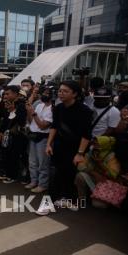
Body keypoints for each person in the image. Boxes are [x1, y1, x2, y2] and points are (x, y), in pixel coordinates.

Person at [38, 81, 93, 215]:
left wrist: (80, 153)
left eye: (65, 91)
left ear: (74, 94)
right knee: (55, 174)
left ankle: (68, 199)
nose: (61, 93)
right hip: (59, 146)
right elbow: (54, 127)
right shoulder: (58, 108)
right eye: (60, 91)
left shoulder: (85, 111)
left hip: (76, 149)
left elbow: (86, 134)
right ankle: (48, 202)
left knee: (69, 175)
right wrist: (49, 144)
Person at [75, 136, 121, 208]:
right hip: (93, 179)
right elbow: (80, 166)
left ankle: (105, 199)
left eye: (97, 144)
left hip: (105, 183)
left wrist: (101, 164)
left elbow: (113, 175)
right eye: (94, 144)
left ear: (104, 145)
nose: (94, 146)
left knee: (98, 205)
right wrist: (93, 173)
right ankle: (82, 201)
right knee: (80, 176)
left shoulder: (111, 157)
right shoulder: (91, 153)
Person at [25, 86, 53, 193]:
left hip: (43, 137)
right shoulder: (39, 105)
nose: (44, 95)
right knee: (32, 161)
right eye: (43, 93)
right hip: (33, 135)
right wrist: (29, 111)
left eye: (47, 93)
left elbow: (42, 126)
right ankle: (33, 181)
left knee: (43, 163)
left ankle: (43, 184)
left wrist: (33, 113)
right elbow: (31, 120)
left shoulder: (53, 108)